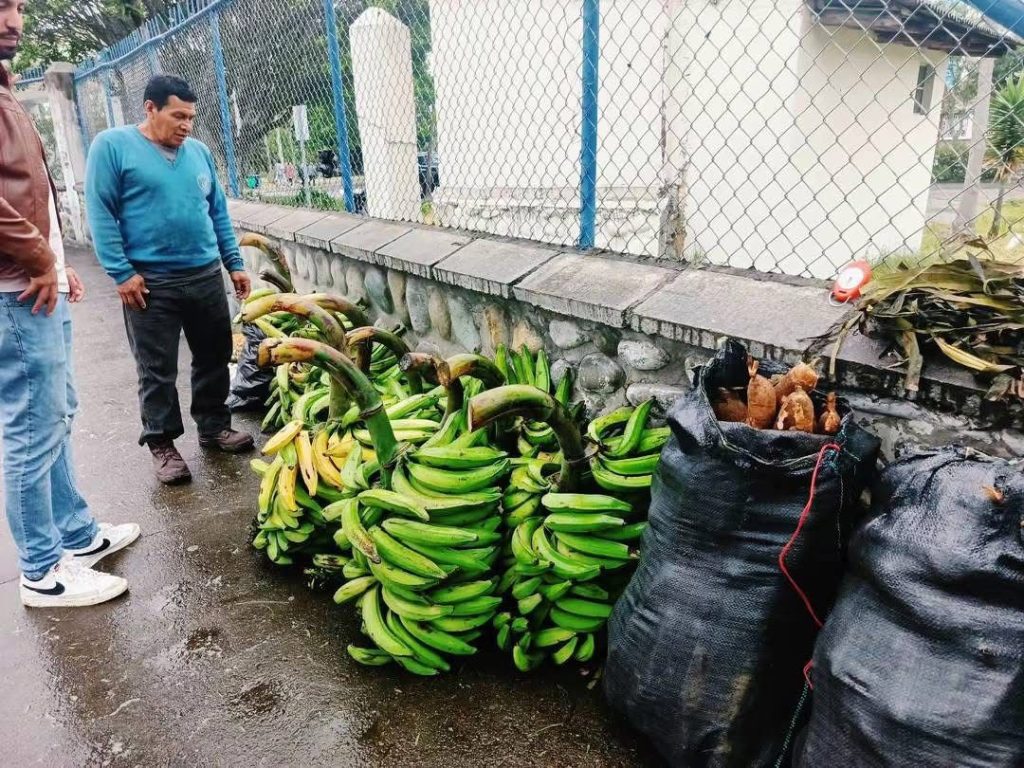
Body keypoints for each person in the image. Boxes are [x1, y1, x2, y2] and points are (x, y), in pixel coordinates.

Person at [1, 0, 139, 608]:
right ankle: (42, 572)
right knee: (31, 428)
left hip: (32, 281)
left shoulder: (4, 85)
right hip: (13, 289)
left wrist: (55, 262)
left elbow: (25, 187)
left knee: (55, 416)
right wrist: (37, 260)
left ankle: (76, 536)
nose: (12, 20)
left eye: (17, 5)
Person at [85, 74, 255, 485]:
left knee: (214, 355)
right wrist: (121, 272)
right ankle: (162, 444)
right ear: (150, 108)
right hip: (149, 283)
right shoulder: (112, 146)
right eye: (178, 115)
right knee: (156, 368)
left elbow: (217, 212)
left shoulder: (198, 152)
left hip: (203, 274)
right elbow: (100, 211)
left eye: (191, 117)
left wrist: (233, 262)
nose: (186, 125)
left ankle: (214, 426)